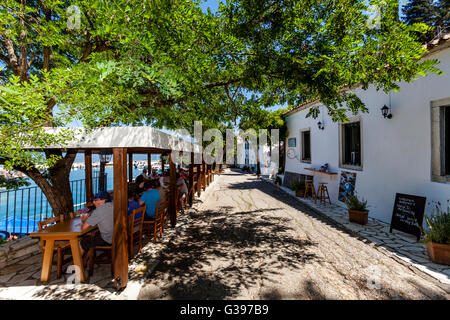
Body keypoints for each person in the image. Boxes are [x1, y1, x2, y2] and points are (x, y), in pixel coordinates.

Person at [79, 191, 114, 256]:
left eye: (96, 200)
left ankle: (77, 264)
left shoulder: (98, 210)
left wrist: (84, 221)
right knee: (94, 235)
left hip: (108, 239)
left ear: (104, 200)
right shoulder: (113, 205)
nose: (93, 202)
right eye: (94, 200)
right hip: (117, 235)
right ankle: (85, 261)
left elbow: (83, 228)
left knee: (82, 242)